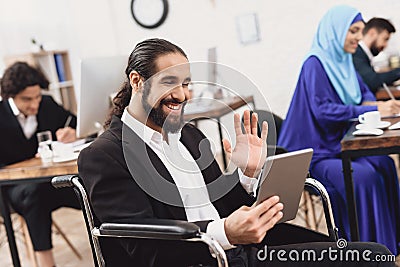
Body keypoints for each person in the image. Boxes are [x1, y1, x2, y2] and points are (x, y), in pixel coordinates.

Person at [78, 38, 395, 267]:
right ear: (137, 81)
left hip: (242, 249)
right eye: (170, 82)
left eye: (187, 83)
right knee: (371, 260)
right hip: (203, 259)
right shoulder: (104, 155)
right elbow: (143, 249)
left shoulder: (189, 135)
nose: (183, 94)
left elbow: (229, 207)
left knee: (365, 253)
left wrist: (247, 172)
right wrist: (225, 233)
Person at [278, 5, 400, 256]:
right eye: (353, 31)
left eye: (360, 31)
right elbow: (323, 110)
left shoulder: (344, 61)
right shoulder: (315, 63)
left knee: (385, 164)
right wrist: (371, 110)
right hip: (315, 153)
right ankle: (365, 254)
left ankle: (390, 246)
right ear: (335, 30)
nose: (358, 37)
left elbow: (364, 96)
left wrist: (381, 106)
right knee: (363, 178)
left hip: (338, 144)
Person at [0, 62, 80, 267]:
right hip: (11, 190)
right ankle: (47, 264)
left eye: (37, 96)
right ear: (10, 96)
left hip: (46, 181)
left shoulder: (46, 103)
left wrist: (73, 132)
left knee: (85, 187)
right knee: (35, 195)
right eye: (27, 99)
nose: (35, 104)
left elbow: (74, 122)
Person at [352, 17, 400, 94]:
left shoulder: (363, 55)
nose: (385, 45)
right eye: (385, 39)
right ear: (372, 33)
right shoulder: (356, 53)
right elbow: (372, 81)